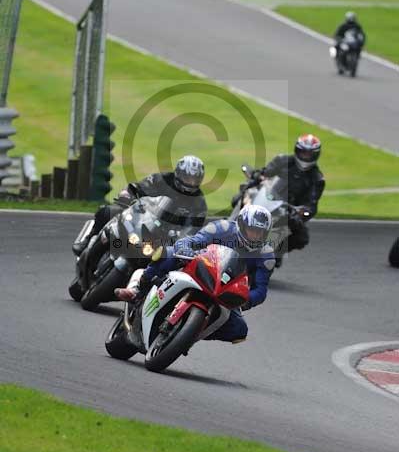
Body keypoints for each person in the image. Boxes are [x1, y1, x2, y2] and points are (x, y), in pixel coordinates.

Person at [115, 204, 275, 345]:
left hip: (227, 291)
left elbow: (260, 290)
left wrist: (245, 301)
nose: (255, 235)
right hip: (202, 268)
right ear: (241, 224)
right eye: (252, 230)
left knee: (239, 330)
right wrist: (186, 249)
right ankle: (138, 290)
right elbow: (191, 240)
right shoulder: (221, 228)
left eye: (259, 233)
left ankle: (190, 334)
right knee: (166, 254)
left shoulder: (266, 256)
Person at [72, 155, 207, 256]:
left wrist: (182, 236)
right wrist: (127, 195)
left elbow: (193, 229)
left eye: (194, 179)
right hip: (144, 217)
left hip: (166, 235)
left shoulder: (199, 202)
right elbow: (139, 187)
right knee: (108, 212)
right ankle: (88, 241)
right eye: (187, 178)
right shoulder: (163, 179)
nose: (190, 182)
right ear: (178, 173)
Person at [244, 134, 325, 265]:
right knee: (243, 193)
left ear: (316, 155)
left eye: (309, 154)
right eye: (303, 152)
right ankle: (228, 226)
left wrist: (303, 211)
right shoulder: (283, 160)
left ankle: (275, 252)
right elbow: (266, 172)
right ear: (297, 150)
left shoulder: (317, 179)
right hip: (268, 198)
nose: (305, 156)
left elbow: (312, 204)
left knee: (301, 236)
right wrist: (258, 176)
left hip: (288, 211)